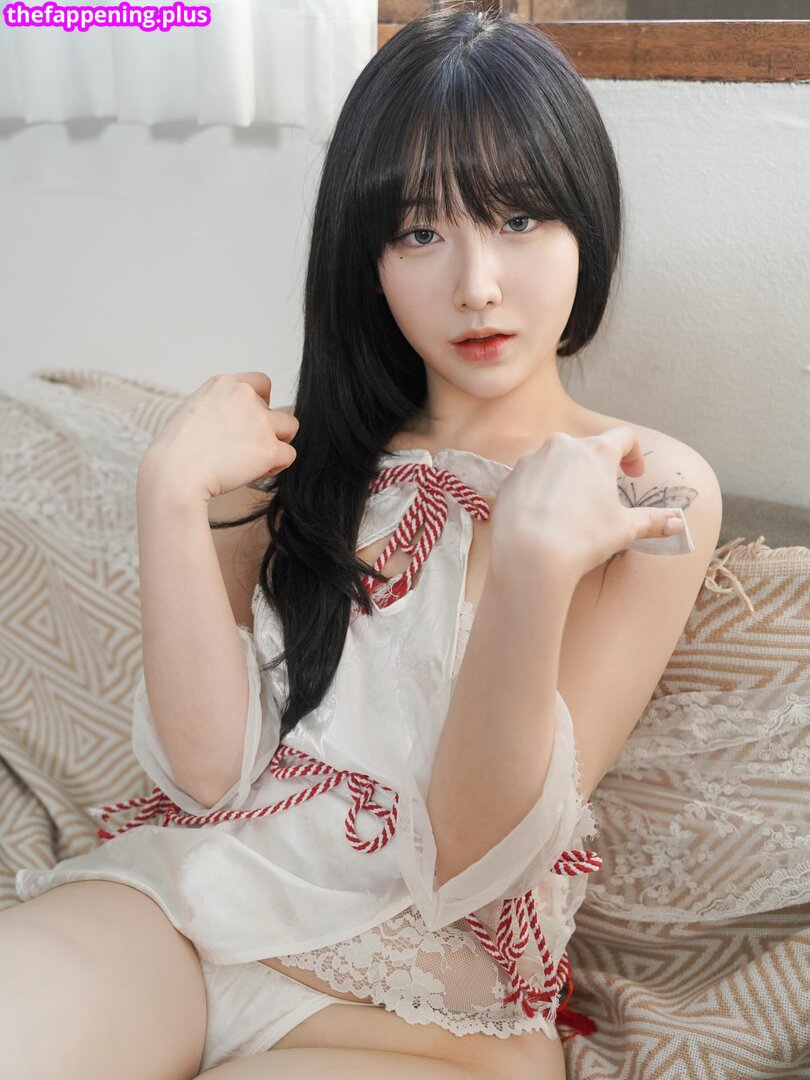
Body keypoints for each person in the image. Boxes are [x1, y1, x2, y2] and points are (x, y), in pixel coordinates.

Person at [1, 6, 719, 1079]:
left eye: (520, 219)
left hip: (427, 1006)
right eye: (420, 232)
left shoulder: (651, 487)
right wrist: (171, 493)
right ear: (368, 257)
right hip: (189, 916)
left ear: (587, 224)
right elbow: (209, 774)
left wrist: (529, 566)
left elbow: (472, 854)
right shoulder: (298, 454)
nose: (476, 283)